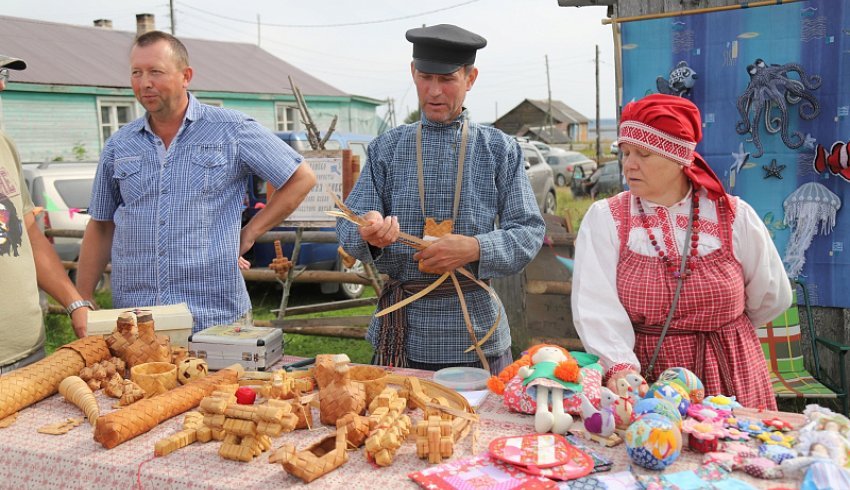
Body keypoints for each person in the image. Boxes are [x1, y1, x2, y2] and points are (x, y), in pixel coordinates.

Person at [336, 24, 545, 375]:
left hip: (477, 333)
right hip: (402, 334)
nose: (433, 91)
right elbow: (347, 224)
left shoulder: (499, 149)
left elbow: (528, 232)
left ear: (470, 77)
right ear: (413, 73)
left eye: (446, 79)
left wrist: (475, 248)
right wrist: (366, 229)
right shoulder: (386, 148)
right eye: (425, 77)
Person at [77, 31, 316, 333]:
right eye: (136, 73)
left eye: (156, 72)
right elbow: (100, 225)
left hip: (213, 317)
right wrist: (82, 298)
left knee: (225, 382)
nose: (144, 82)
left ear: (185, 76)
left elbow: (300, 178)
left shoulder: (231, 129)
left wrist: (250, 232)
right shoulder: (119, 145)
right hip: (137, 323)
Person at [572, 94, 792, 409]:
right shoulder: (607, 219)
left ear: (679, 158)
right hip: (649, 379)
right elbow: (595, 305)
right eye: (626, 153)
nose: (630, 164)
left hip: (730, 369)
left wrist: (725, 327)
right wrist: (621, 365)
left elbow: (773, 295)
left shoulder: (732, 215)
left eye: (644, 154)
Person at [0, 54, 90, 372]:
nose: (1, 85)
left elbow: (29, 235)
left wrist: (74, 302)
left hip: (28, 353)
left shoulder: (3, 145)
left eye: (3, 75)